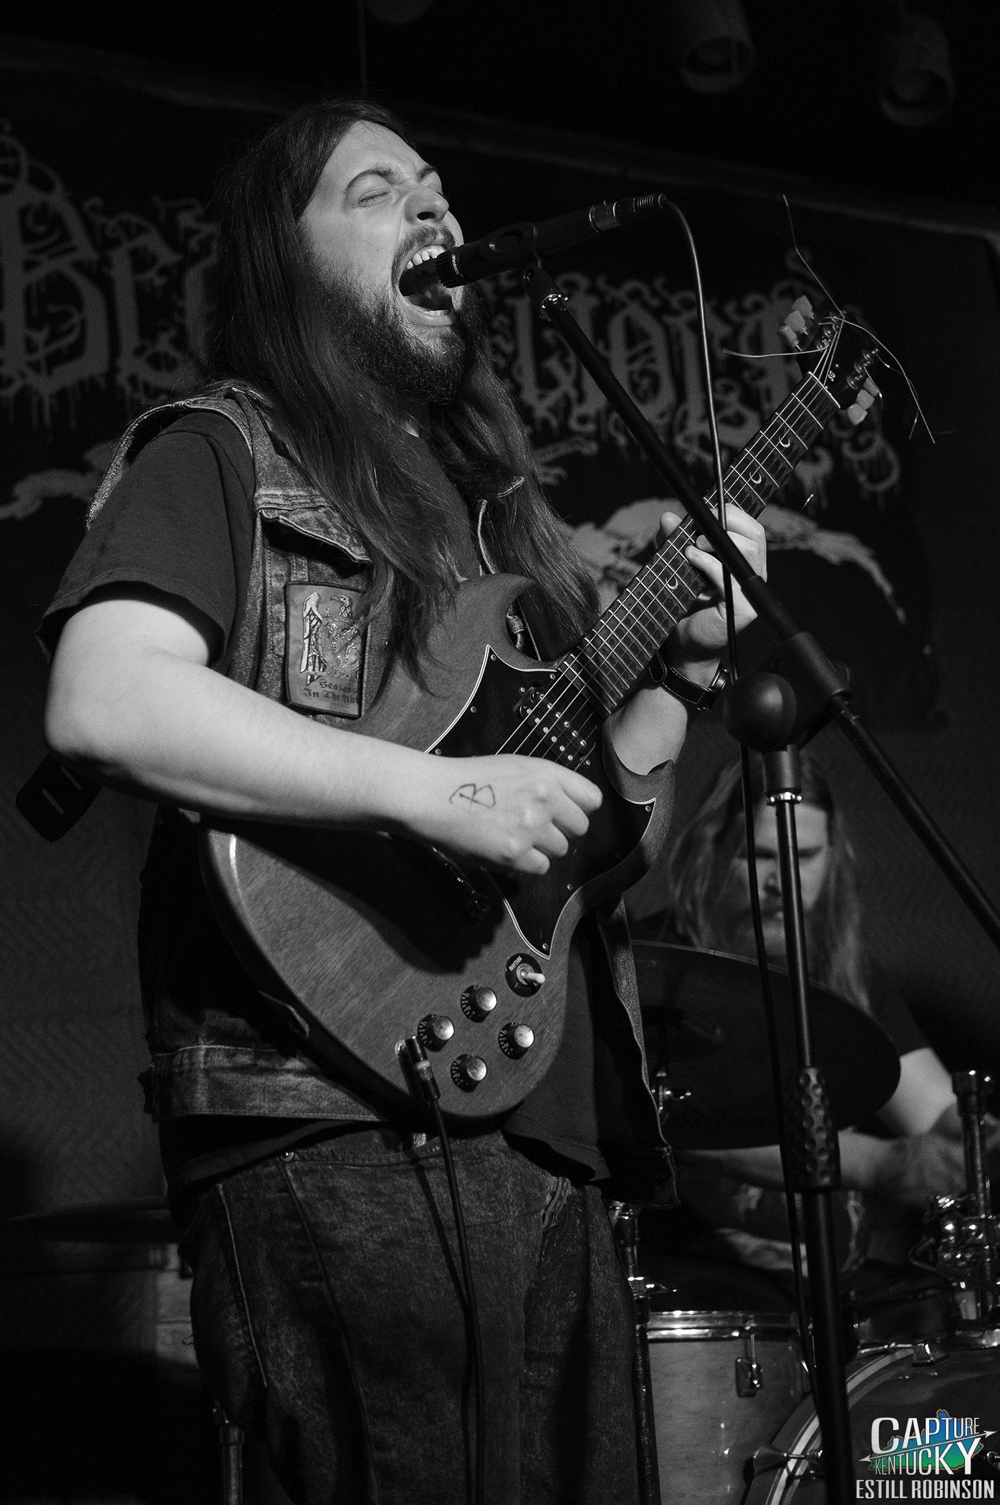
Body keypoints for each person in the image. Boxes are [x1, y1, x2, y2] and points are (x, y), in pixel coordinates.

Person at [40, 98, 766, 1504]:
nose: (434, 209)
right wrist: (431, 789)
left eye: (436, 187)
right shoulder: (226, 450)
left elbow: (594, 850)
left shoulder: (497, 523)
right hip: (335, 1110)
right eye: (374, 192)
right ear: (281, 258)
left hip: (547, 1121)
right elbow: (106, 696)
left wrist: (681, 678)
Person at [631, 752, 995, 1308]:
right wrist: (879, 1163)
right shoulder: (651, 964)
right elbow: (675, 1124)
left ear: (833, 857)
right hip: (692, 1299)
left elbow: (935, 1114)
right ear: (711, 852)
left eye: (804, 856)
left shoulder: (849, 976)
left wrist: (981, 1141)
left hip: (832, 1298)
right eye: (759, 855)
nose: (783, 881)